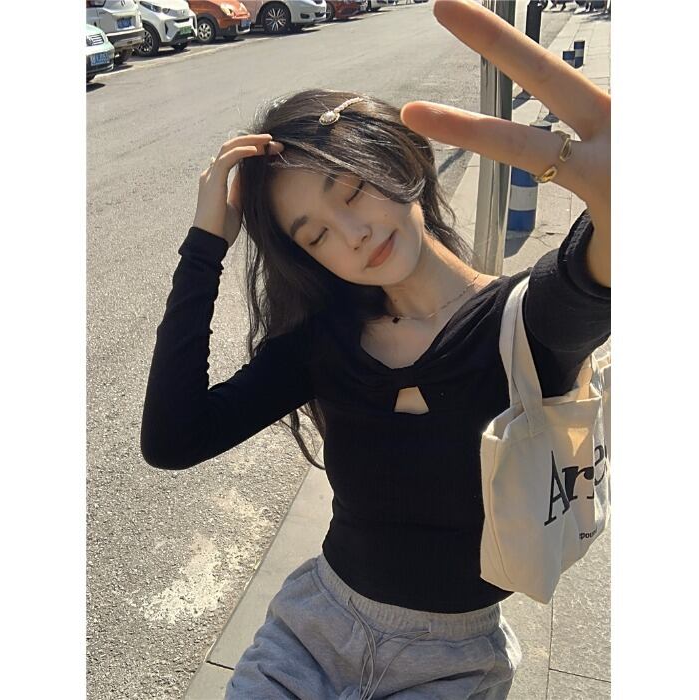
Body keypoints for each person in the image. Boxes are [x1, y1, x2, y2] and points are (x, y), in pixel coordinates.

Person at [140, 0, 610, 697]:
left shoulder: (524, 324)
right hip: (310, 634)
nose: (352, 233)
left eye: (354, 190)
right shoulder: (325, 343)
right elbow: (173, 440)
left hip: (452, 666)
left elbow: (591, 275)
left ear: (396, 157)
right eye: (316, 235)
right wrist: (206, 246)